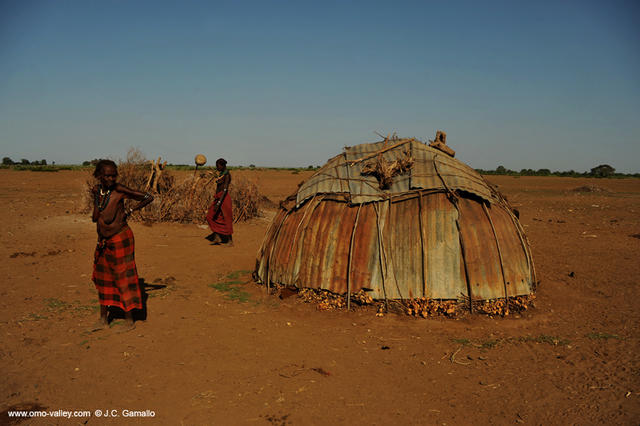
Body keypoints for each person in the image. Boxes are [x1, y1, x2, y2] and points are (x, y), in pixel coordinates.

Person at [91, 160, 153, 331]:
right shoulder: (97, 191)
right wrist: (97, 197)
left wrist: (130, 211)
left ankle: (129, 320)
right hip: (103, 241)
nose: (111, 178)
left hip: (120, 238)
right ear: (99, 176)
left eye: (113, 175)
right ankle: (103, 319)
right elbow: (95, 218)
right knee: (104, 278)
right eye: (107, 175)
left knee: (123, 278)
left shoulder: (120, 190)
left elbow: (148, 197)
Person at [205, 158, 233, 246]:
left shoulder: (227, 175)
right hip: (218, 198)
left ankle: (230, 240)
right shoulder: (221, 174)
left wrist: (218, 203)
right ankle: (217, 237)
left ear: (223, 165)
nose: (217, 168)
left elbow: (225, 190)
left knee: (226, 218)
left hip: (224, 198)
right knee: (211, 216)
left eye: (218, 166)